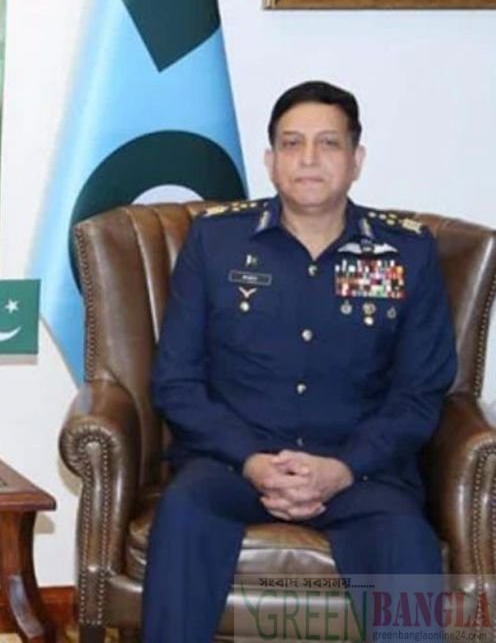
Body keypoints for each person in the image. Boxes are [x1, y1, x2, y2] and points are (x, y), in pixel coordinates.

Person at [142, 80, 455, 641]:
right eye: (292, 143)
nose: (308, 158)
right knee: (184, 512)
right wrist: (252, 461)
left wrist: (343, 468)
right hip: (231, 464)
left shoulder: (406, 252)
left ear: (356, 160)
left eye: (328, 143)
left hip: (361, 471)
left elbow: (419, 392)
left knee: (407, 544)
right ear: (270, 161)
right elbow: (177, 382)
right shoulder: (215, 242)